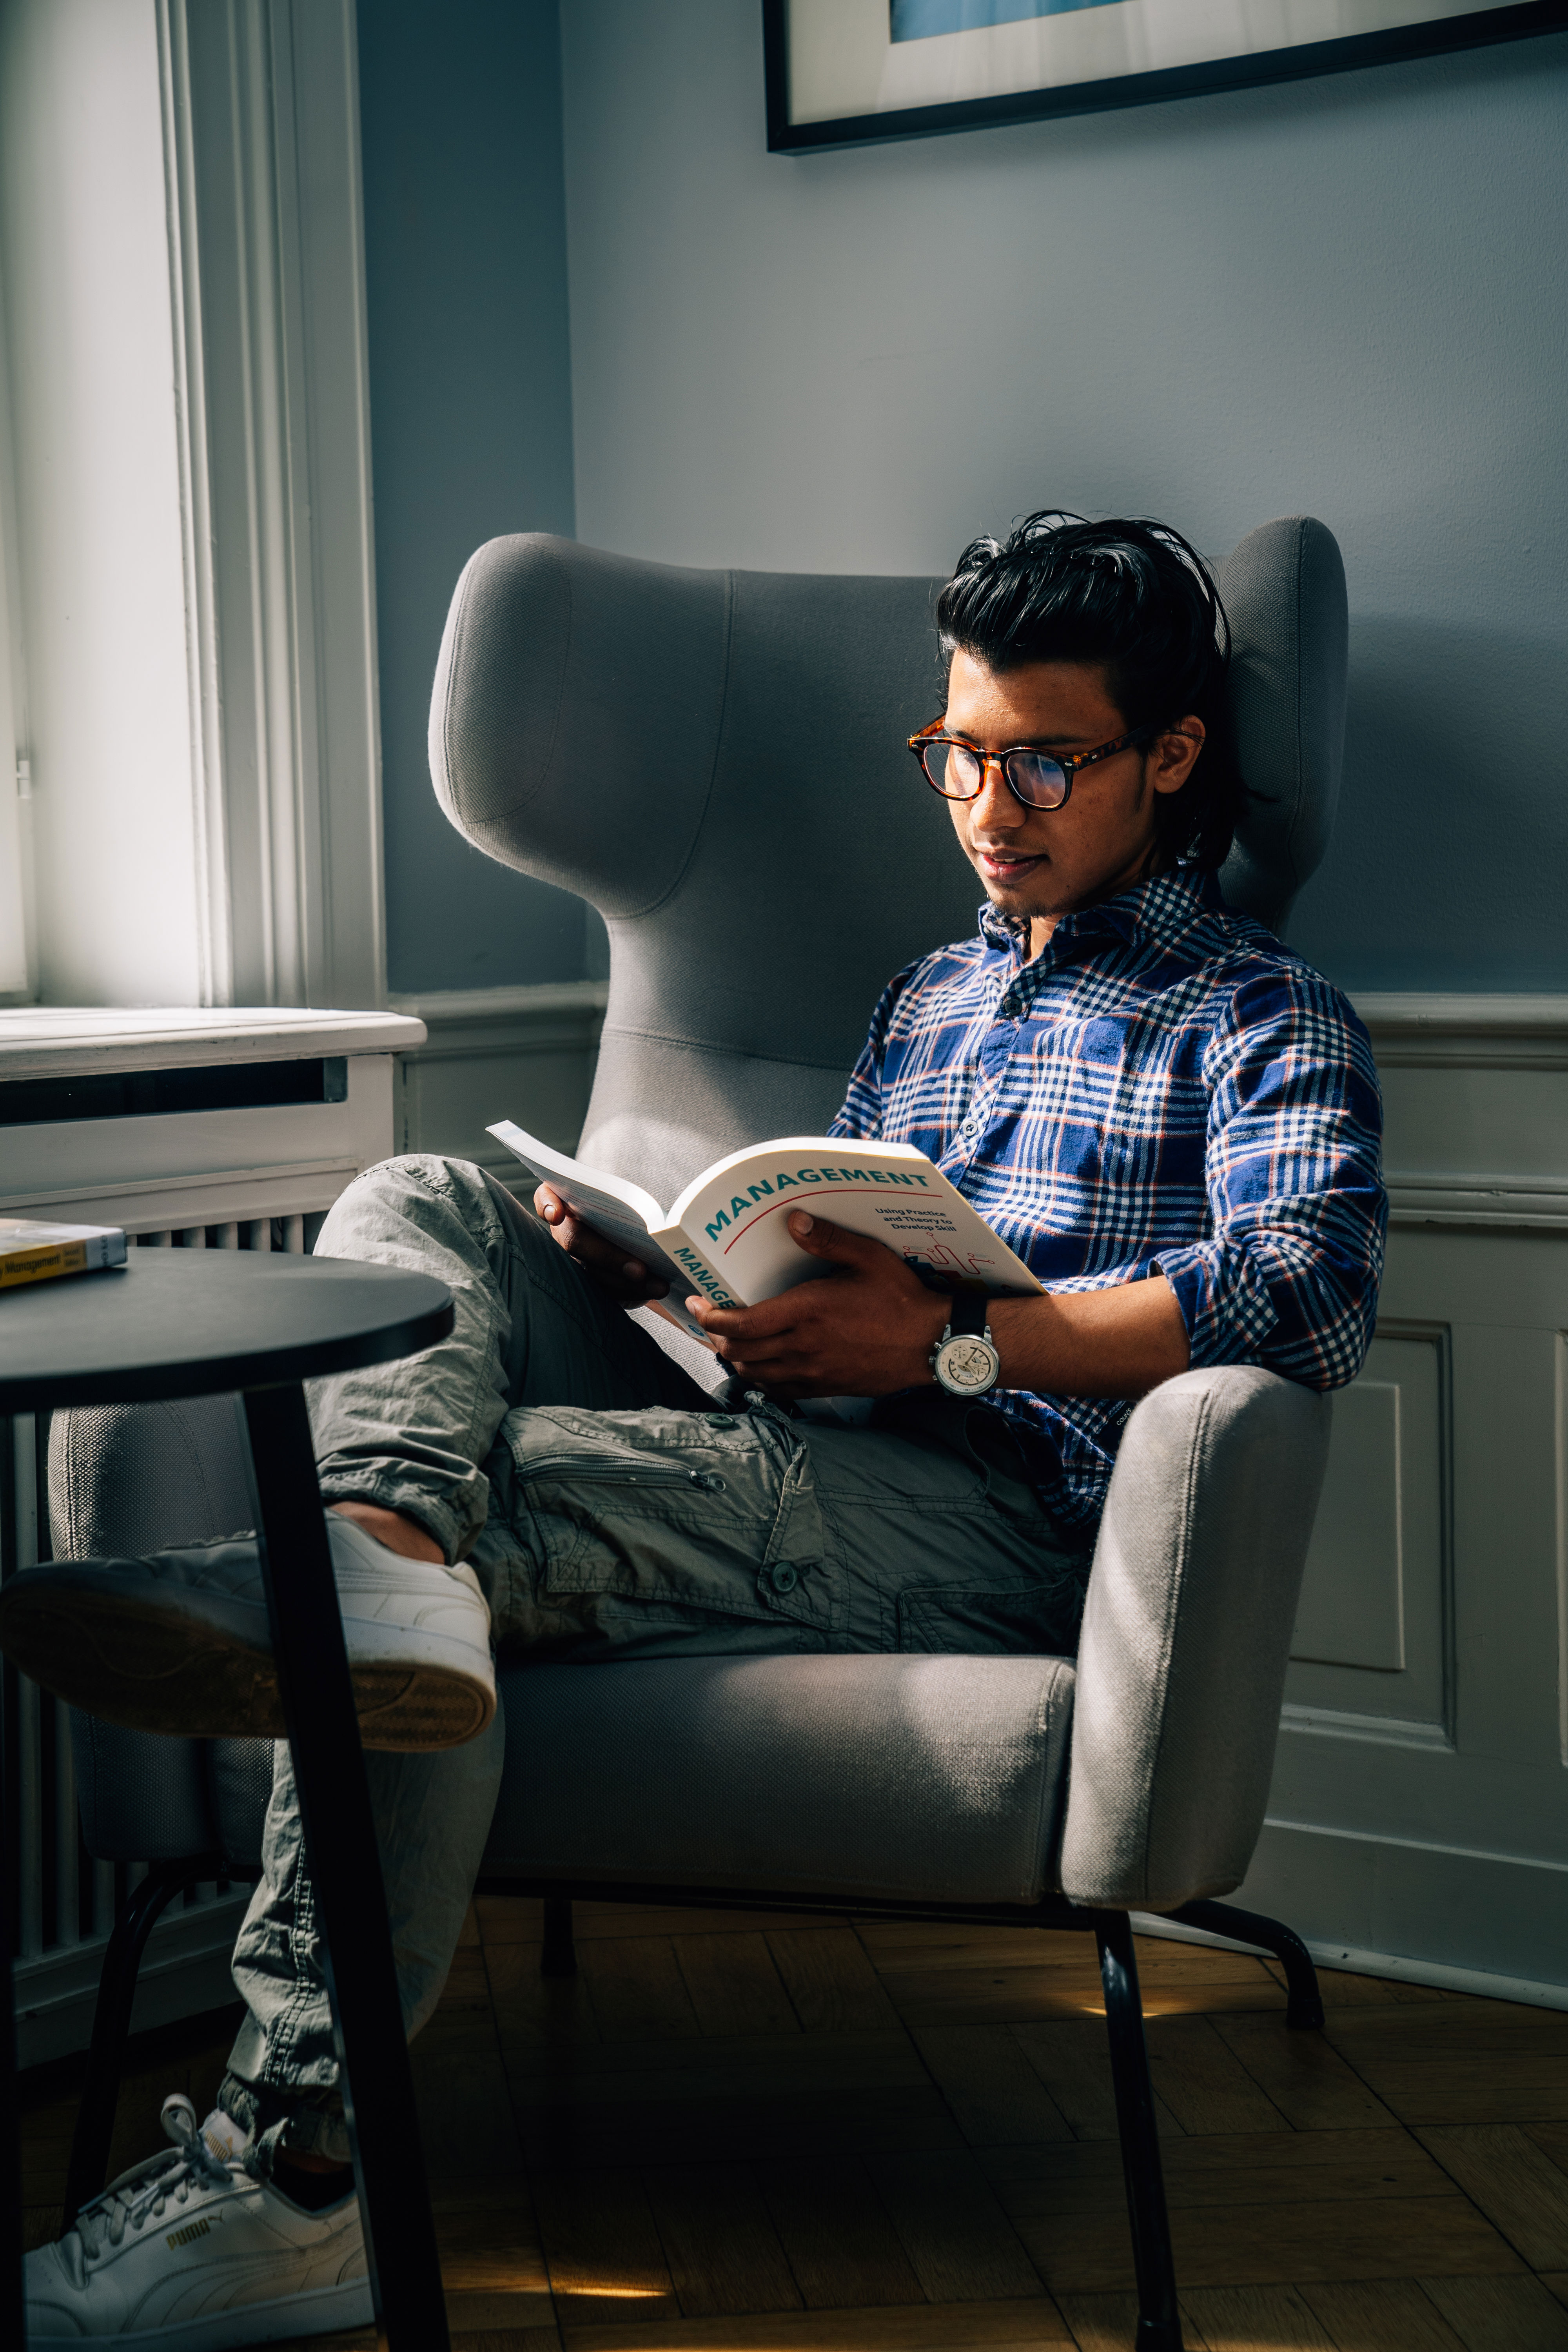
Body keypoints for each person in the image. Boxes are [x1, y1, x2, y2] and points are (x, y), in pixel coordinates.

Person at [5, 513, 1386, 2346]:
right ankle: (381, 1557)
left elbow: (1307, 1290)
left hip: (999, 1512)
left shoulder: (1259, 1011)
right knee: (423, 1191)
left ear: (1173, 758)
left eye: (1044, 759)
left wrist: (962, 1343)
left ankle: (298, 2166)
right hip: (790, 1432)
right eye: (959, 755)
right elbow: (817, 1278)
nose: (991, 804)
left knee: (524, 1499)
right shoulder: (935, 990)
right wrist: (652, 1273)